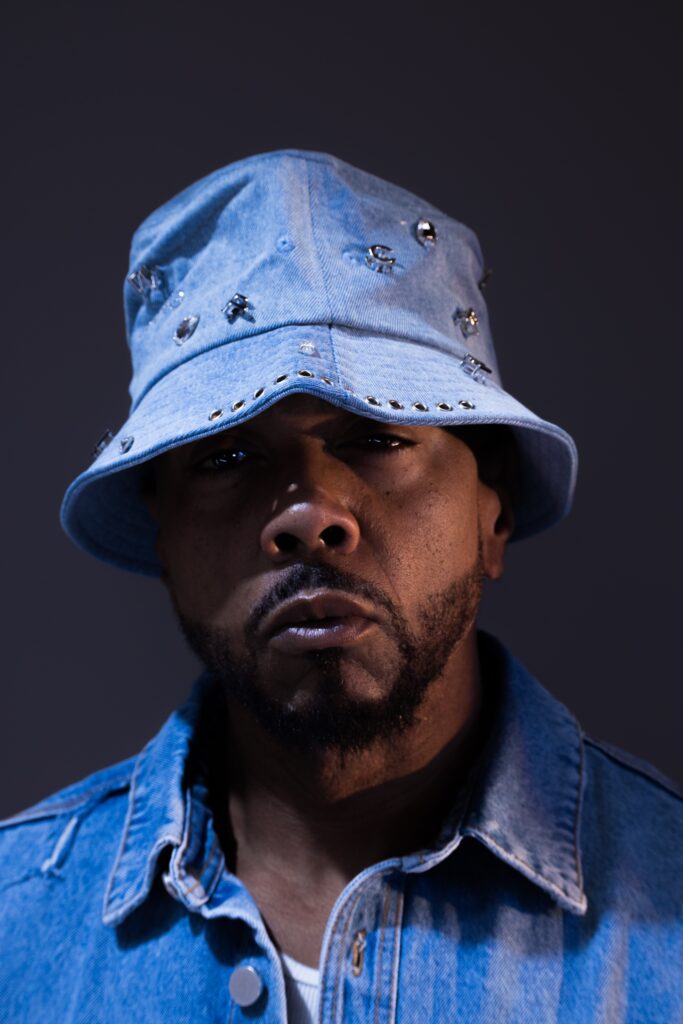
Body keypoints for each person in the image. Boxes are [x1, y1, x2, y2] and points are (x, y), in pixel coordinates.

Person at [1, 150, 680, 1024]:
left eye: (378, 438)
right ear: (162, 534)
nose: (309, 514)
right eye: (227, 456)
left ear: (492, 513)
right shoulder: (17, 923)